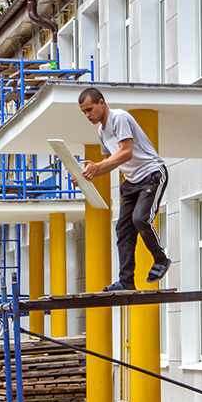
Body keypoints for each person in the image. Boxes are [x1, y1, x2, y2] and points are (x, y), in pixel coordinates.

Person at [78, 87, 171, 292]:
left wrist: (98, 167)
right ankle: (126, 281)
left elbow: (126, 152)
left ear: (102, 102)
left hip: (151, 174)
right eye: (84, 112)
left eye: (90, 109)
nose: (88, 115)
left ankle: (161, 259)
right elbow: (109, 161)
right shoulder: (102, 131)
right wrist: (88, 174)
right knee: (123, 229)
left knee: (140, 219)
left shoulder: (119, 118)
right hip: (131, 182)